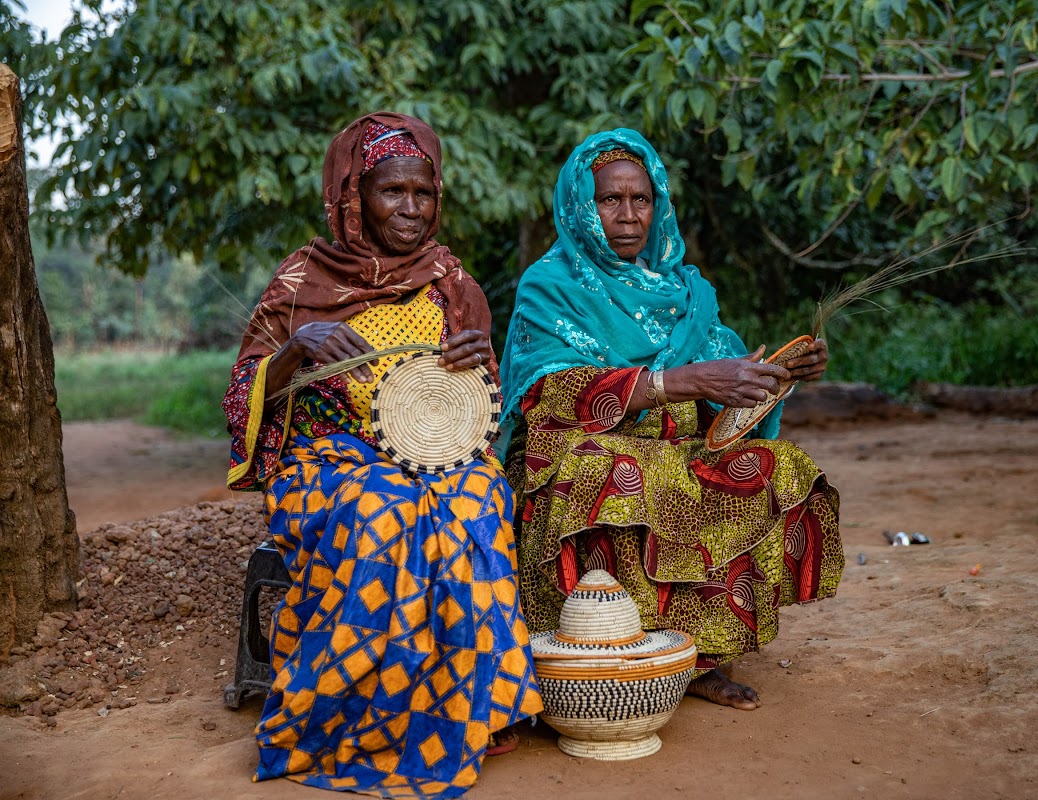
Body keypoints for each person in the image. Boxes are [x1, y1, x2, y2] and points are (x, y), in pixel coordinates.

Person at [223, 112, 541, 798]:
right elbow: (243, 393)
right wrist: (296, 346)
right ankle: (363, 722)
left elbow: (481, 406)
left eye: (423, 194)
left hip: (438, 455)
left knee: (479, 500)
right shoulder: (300, 281)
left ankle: (466, 710)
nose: (410, 209)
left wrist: (475, 361)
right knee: (385, 514)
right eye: (392, 192)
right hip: (328, 462)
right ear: (353, 194)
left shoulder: (451, 281)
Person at [499, 129, 844, 711]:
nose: (629, 216)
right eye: (610, 200)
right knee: (612, 478)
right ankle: (614, 652)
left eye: (642, 199)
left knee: (772, 468)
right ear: (581, 206)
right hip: (582, 448)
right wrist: (681, 382)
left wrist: (778, 376)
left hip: (679, 443)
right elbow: (548, 395)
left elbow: (722, 401)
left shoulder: (684, 288)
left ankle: (699, 657)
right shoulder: (549, 286)